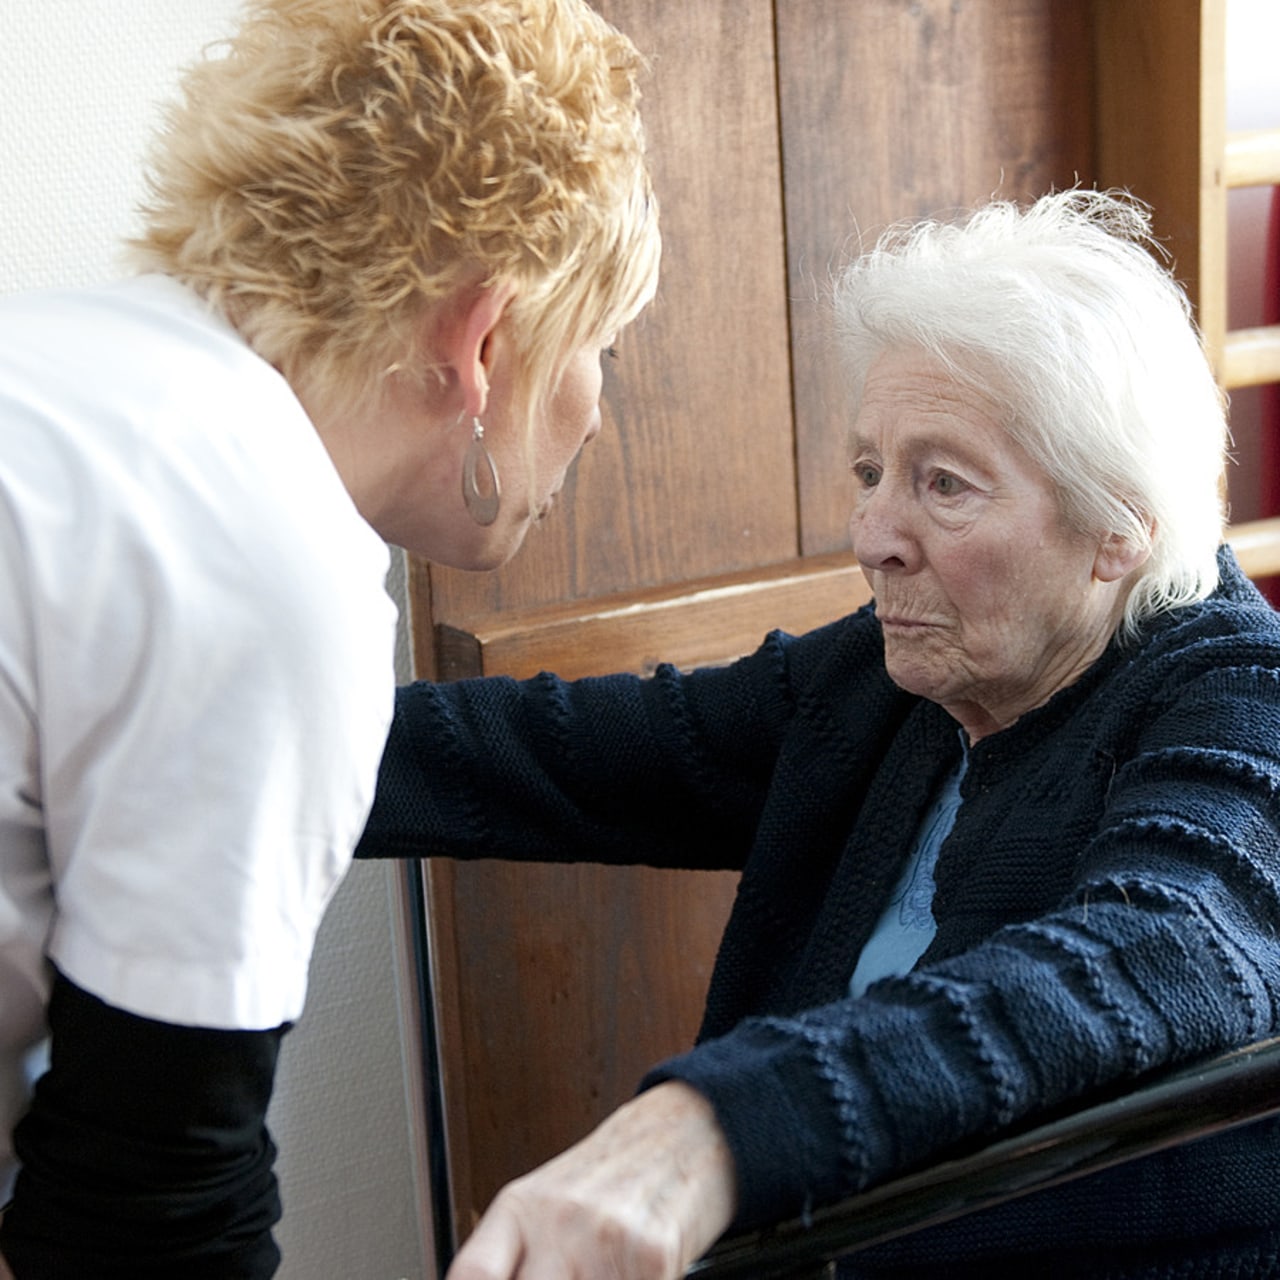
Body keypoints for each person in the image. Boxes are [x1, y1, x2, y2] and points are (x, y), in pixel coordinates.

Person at [356, 188, 1280, 1279]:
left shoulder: (1239, 697)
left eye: (941, 481)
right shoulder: (888, 676)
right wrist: (221, 743)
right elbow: (557, 755)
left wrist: (713, 1129)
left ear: (1114, 529)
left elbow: (1151, 952)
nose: (873, 534)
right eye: (868, 471)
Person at [0, 0, 659, 1274]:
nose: (594, 416)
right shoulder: (264, 543)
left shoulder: (69, 367)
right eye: (602, 350)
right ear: (483, 341)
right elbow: (150, 1217)